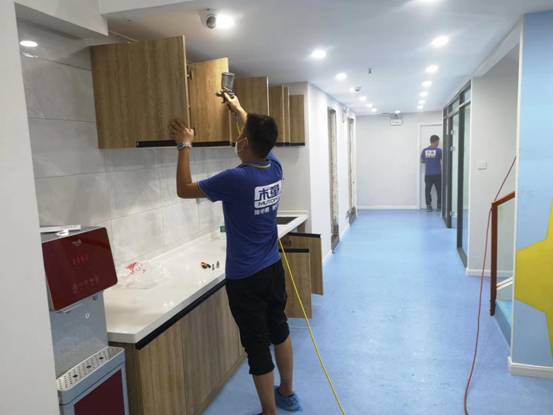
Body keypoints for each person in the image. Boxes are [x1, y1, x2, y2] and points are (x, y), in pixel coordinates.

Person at [169, 93, 301, 415]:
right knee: (279, 328)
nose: (238, 140)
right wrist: (240, 109)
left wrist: (185, 145)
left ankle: (269, 412)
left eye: (242, 136)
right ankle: (287, 393)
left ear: (244, 144)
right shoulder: (274, 166)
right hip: (272, 268)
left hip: (245, 279)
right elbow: (255, 136)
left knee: (257, 345)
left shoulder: (236, 179)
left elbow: (184, 189)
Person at [421, 134, 442, 212]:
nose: (438, 143)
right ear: (435, 141)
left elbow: (422, 161)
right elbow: (443, 159)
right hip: (436, 174)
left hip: (430, 174)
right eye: (438, 141)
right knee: (438, 190)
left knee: (428, 191)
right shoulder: (439, 151)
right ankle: (438, 206)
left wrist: (429, 161)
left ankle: (429, 206)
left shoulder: (425, 150)